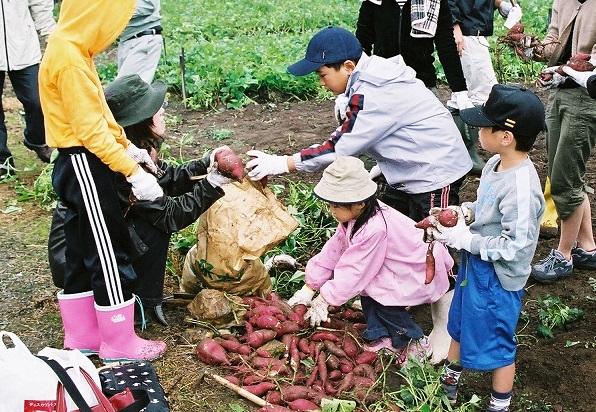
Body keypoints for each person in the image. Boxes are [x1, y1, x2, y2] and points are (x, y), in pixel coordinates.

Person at [246, 26, 472, 364]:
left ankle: (444, 332)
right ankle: (398, 298)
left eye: (322, 74)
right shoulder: (366, 82)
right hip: (404, 170)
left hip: (433, 171)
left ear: (348, 67)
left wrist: (284, 163)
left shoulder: (375, 92)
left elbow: (340, 145)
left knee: (434, 250)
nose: (320, 82)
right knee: (400, 240)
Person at [39, 0, 169, 363]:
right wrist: (132, 171)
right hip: (85, 164)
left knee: (82, 249)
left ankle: (82, 335)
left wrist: (129, 146)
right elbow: (91, 132)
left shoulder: (72, 49)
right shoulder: (69, 61)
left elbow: (100, 114)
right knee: (109, 251)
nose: (114, 31)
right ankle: (119, 342)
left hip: (76, 162)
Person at [47, 74, 231, 327]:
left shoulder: (128, 147)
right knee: (155, 226)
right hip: (75, 259)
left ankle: (137, 296)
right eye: (156, 109)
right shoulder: (119, 163)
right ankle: (134, 303)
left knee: (146, 221)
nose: (163, 110)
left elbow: (165, 179)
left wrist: (206, 163)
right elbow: (170, 216)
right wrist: (214, 183)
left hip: (86, 248)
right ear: (141, 120)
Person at [428, 84, 545, 412]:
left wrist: (467, 240)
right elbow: (487, 206)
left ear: (505, 136)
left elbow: (515, 245)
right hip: (476, 265)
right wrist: (465, 212)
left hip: (499, 278)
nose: (477, 130)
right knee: (459, 322)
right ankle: (448, 385)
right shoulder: (496, 164)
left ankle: (499, 404)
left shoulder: (523, 188)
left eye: (483, 125)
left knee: (499, 342)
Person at [287, 156, 454, 365]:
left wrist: (325, 299)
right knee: (370, 295)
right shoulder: (354, 218)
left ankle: (416, 342)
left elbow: (354, 270)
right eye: (330, 205)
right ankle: (386, 337)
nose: (332, 211)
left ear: (359, 203)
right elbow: (334, 250)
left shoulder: (374, 228)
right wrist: (309, 287)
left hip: (414, 269)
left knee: (386, 304)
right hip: (392, 265)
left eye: (336, 206)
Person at [354, 0, 485, 173]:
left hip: (421, 82)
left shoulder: (435, 3)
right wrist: (354, 85)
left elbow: (446, 45)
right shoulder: (374, 2)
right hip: (383, 82)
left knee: (435, 146)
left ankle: (465, 155)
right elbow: (362, 44)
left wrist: (460, 90)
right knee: (371, 144)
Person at [528, 0, 596, 283]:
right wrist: (532, 48)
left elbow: (592, 64)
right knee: (568, 178)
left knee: (565, 180)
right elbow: (553, 44)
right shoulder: (564, 1)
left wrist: (564, 72)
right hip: (560, 97)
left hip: (587, 100)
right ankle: (588, 249)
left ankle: (564, 254)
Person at [0, 0, 56, 177]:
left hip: (23, 46)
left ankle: (36, 139)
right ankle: (2, 161)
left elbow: (41, 2)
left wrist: (49, 32)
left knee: (37, 99)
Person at [449, 0, 522, 105]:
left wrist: (500, 4)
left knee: (466, 93)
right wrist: (454, 25)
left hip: (476, 29)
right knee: (484, 95)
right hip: (468, 32)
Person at [117, 0, 163, 83]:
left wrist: (110, 14)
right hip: (127, 38)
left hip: (143, 39)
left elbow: (147, 6)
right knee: (125, 87)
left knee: (125, 88)